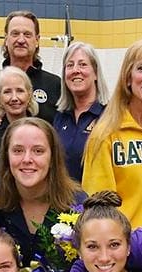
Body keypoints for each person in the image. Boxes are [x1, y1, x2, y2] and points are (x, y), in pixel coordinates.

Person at [0, 117, 85, 272]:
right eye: (18, 150)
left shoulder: (77, 202)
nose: (27, 159)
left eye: (38, 151)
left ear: (52, 157)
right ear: (6, 156)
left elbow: (93, 266)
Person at [82, 39, 142, 229]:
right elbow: (99, 208)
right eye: (141, 68)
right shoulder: (105, 134)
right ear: (128, 78)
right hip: (126, 240)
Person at [0, 10, 61, 130]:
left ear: (37, 40)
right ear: (6, 39)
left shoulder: (55, 85)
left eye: (27, 34)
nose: (21, 40)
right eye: (15, 34)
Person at [53, 41, 109, 183]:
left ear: (95, 73)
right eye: (70, 65)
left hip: (97, 196)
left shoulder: (109, 115)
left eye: (83, 64)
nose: (75, 70)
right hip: (63, 196)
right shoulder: (60, 117)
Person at [0, 66, 38, 188]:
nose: (14, 98)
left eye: (20, 91)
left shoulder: (42, 131)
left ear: (29, 94)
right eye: (7, 92)